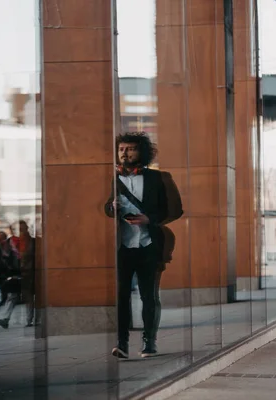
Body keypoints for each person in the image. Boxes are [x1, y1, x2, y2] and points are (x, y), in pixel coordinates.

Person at [104, 132, 182, 359]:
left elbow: (175, 210)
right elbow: (107, 206)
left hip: (149, 245)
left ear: (142, 152)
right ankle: (122, 343)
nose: (124, 153)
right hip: (124, 247)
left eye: (130, 149)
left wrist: (150, 219)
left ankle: (150, 342)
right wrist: (112, 208)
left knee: (149, 296)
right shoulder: (115, 178)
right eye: (121, 149)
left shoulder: (159, 178)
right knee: (121, 297)